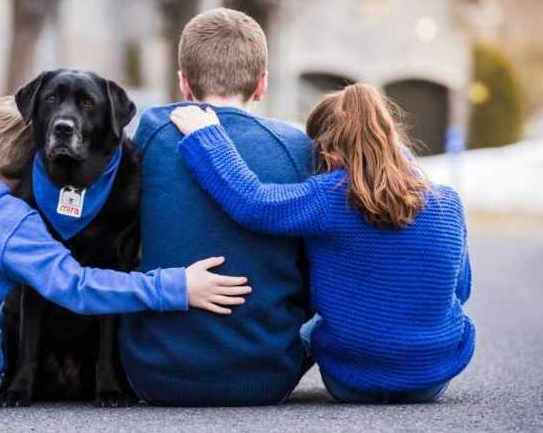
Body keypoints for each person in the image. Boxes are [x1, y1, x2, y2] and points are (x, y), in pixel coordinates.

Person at [0, 96, 251, 409]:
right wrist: (175, 285)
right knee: (2, 308)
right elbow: (78, 287)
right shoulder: (12, 218)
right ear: (30, 173)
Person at [170, 83, 475, 404]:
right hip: (431, 379)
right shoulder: (448, 203)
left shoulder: (330, 197)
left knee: (309, 327)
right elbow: (461, 290)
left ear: (329, 155)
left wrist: (206, 136)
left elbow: (252, 200)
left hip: (352, 382)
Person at [118, 8, 313, 406]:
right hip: (266, 377)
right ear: (262, 85)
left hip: (153, 374)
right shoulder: (297, 150)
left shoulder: (153, 132)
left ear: (184, 84)